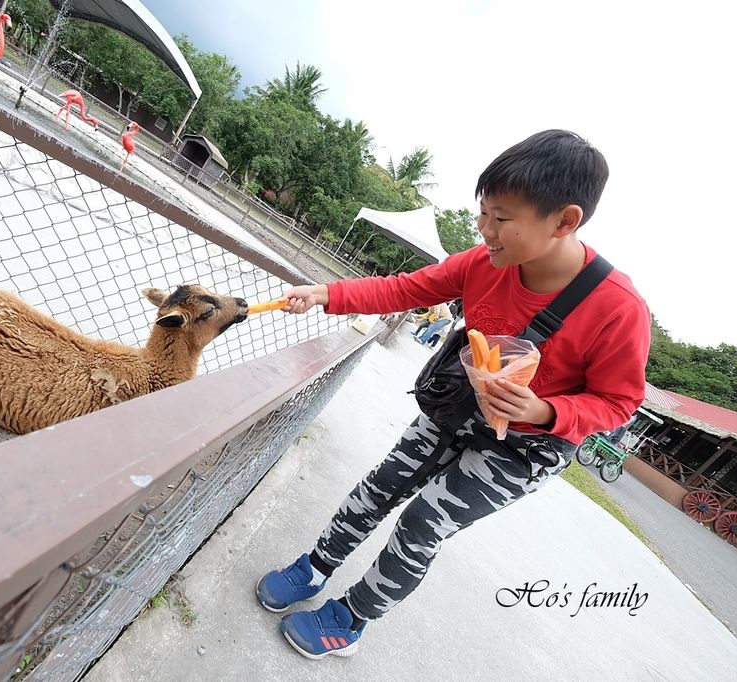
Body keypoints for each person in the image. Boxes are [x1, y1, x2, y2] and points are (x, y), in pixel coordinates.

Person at [256, 130, 650, 659]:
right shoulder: (484, 262)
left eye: (501, 218)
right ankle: (316, 566)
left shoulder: (619, 309)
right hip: (459, 408)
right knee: (384, 483)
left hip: (526, 444)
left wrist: (547, 409)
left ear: (564, 221)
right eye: (482, 211)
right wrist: (327, 293)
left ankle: (350, 619)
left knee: (423, 521)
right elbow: (405, 288)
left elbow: (618, 403)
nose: (483, 229)